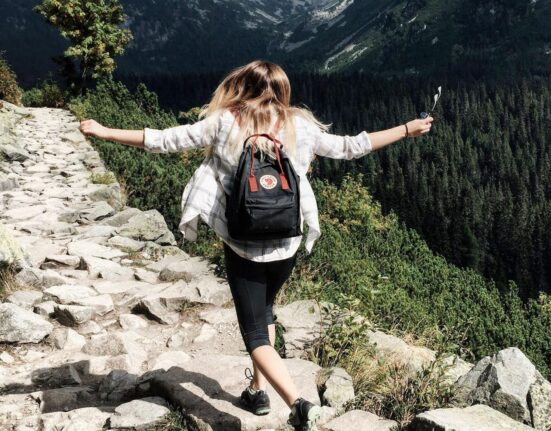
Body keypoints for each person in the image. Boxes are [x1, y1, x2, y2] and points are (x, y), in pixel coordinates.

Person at [80, 59, 433, 431]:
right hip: (287, 243)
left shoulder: (224, 122)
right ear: (283, 91)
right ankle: (257, 391)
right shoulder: (299, 125)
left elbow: (164, 140)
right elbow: (352, 147)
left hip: (243, 245)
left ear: (242, 88)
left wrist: (106, 132)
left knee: (254, 332)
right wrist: (406, 129)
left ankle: (298, 405)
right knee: (266, 312)